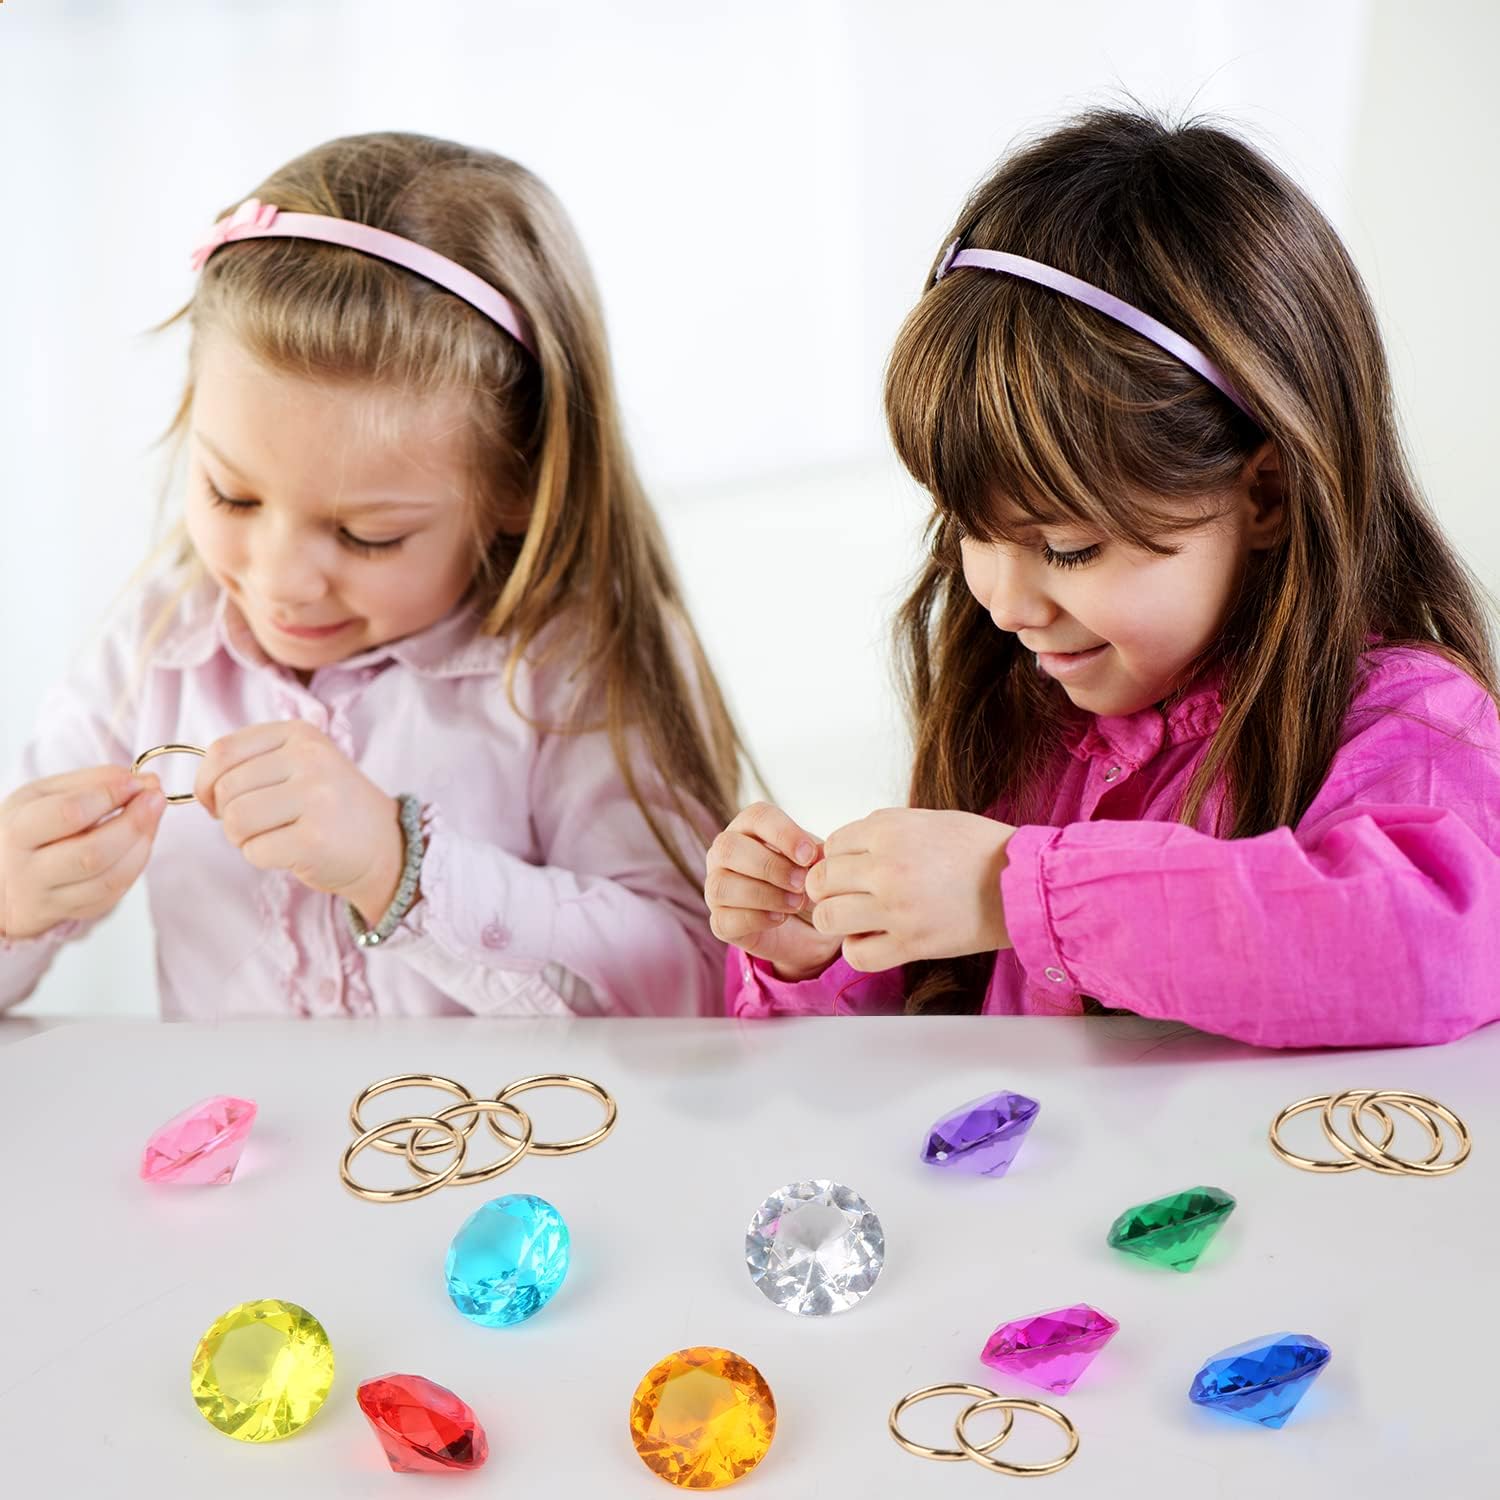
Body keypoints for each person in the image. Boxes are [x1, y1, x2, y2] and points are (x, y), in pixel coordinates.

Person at [708, 108, 1500, 1048]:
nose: (1004, 603)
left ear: (1267, 495)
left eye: (1067, 548)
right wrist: (824, 951)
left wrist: (1018, 892)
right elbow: (932, 1034)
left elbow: (1430, 948)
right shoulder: (1024, 717)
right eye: (969, 531)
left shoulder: (1411, 721)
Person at [1, 131, 741, 1019]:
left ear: (518, 484)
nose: (282, 582)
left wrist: (398, 865)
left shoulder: (577, 666)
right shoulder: (153, 647)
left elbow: (687, 987)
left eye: (366, 535)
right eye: (232, 495)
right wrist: (12, 903)